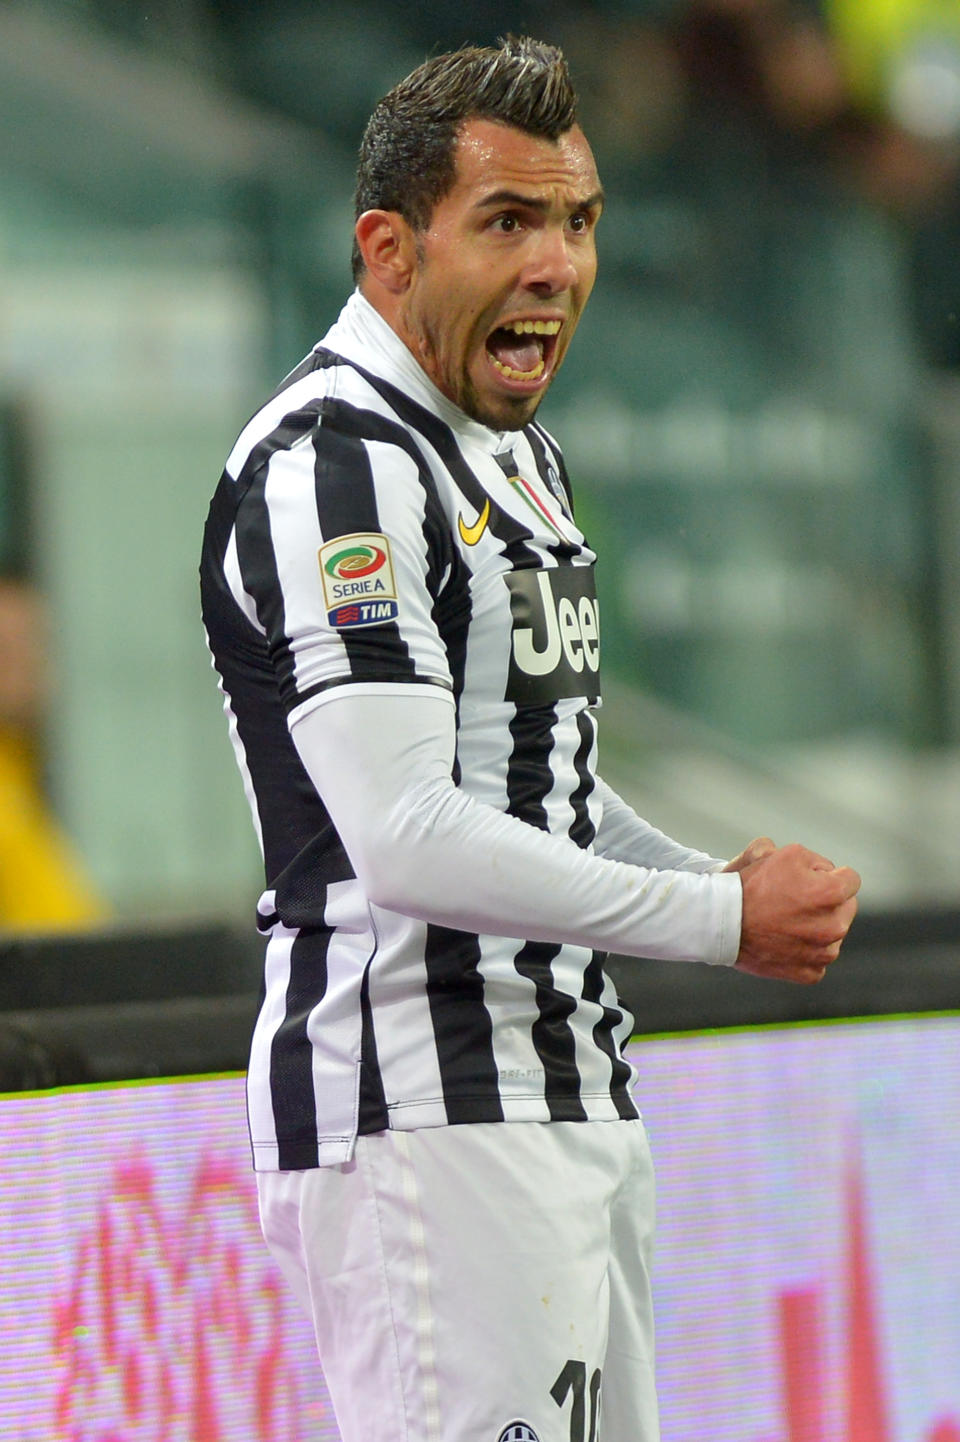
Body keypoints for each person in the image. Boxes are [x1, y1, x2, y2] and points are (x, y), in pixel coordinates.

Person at [200, 36, 860, 1442]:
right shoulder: (336, 459)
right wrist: (713, 914)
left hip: (565, 1082)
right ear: (389, 249)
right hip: (422, 1112)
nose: (558, 264)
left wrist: (706, 872)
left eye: (579, 221)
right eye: (509, 221)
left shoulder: (518, 454)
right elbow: (407, 832)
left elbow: (534, 779)